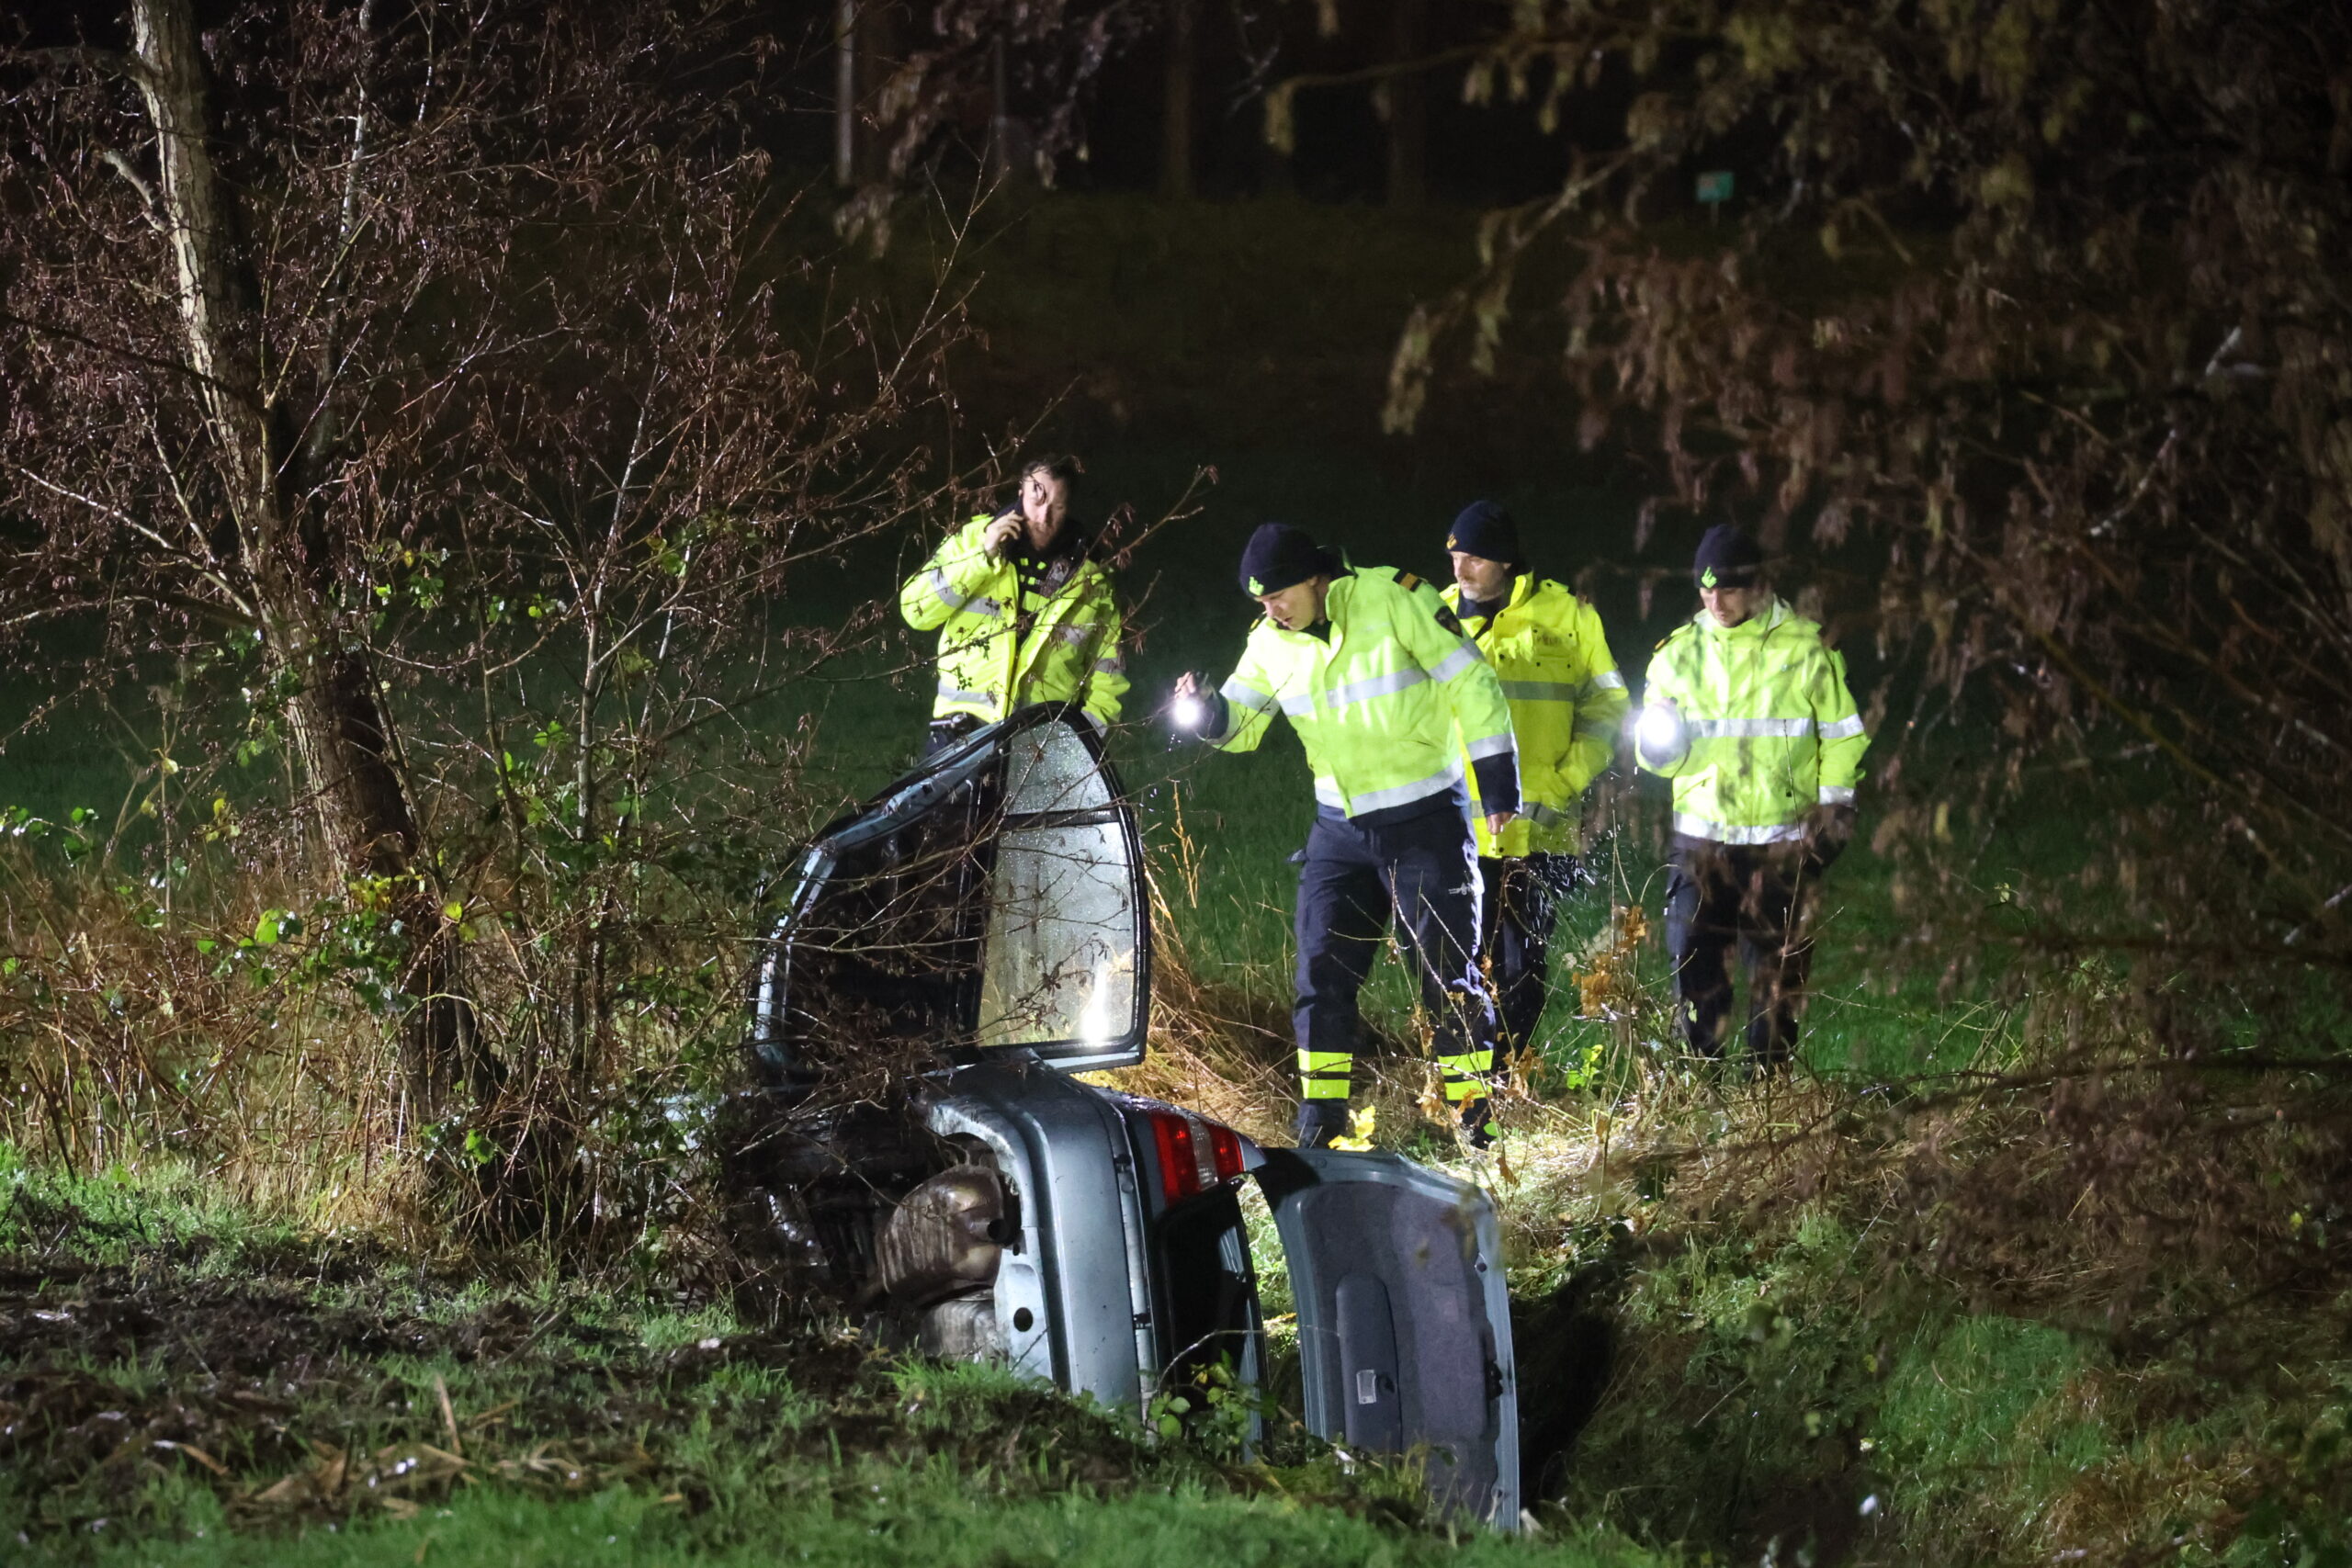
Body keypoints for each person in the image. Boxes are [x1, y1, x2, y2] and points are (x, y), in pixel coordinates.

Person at [1172, 523, 1520, 1149]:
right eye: (1260, 602)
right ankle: (1321, 1120)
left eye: (1278, 594)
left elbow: (1472, 680)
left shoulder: (1394, 598)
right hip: (1340, 828)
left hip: (1426, 820)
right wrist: (1209, 711)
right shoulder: (1272, 641)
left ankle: (1473, 1116)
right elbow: (1241, 723)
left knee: (1447, 973)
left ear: (1313, 577)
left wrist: (1497, 783)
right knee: (1320, 971)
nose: (1270, 610)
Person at [1634, 525, 1867, 1070]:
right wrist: (1654, 739)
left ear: (1758, 585)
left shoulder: (1807, 648)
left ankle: (1769, 1101)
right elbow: (1652, 756)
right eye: (1705, 589)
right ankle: (1698, 1094)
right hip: (1701, 847)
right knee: (1695, 976)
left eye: (1730, 590)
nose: (1715, 601)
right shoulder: (1676, 654)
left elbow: (1843, 735)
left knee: (1778, 985)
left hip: (1781, 847)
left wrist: (1834, 812)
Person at [1440, 502, 1628, 1068]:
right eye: (1454, 557)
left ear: (1505, 562)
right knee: (1454, 963)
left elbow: (1608, 707)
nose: (1461, 570)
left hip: (1537, 826)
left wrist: (1565, 781)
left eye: (1475, 558)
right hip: (1452, 831)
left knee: (1522, 965)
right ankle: (1468, 1082)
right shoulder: (1433, 619)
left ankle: (1509, 1073)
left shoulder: (1567, 616)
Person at [899, 456, 1126, 755]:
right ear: (1021, 492)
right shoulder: (973, 539)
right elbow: (916, 609)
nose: (1043, 516)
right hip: (959, 737)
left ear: (1068, 508)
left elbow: (1107, 682)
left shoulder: (1091, 579)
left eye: (1056, 507)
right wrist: (982, 557)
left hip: (1041, 748)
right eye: (1037, 499)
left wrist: (1077, 750)